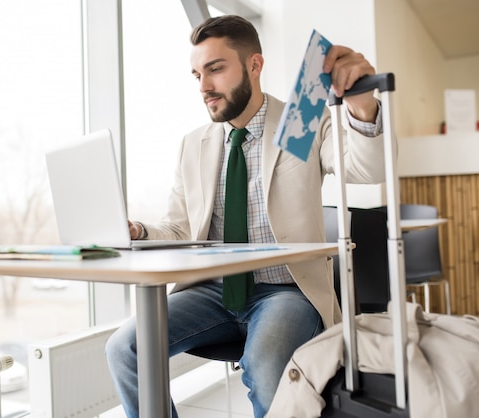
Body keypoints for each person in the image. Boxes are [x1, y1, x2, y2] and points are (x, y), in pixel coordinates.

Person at [106, 14, 386, 418]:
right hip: (212, 293)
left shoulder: (299, 122)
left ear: (254, 65)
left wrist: (362, 104)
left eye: (216, 69)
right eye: (197, 74)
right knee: (123, 348)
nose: (204, 86)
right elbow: (181, 227)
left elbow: (367, 171)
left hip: (285, 290)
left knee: (266, 364)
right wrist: (139, 230)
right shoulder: (194, 144)